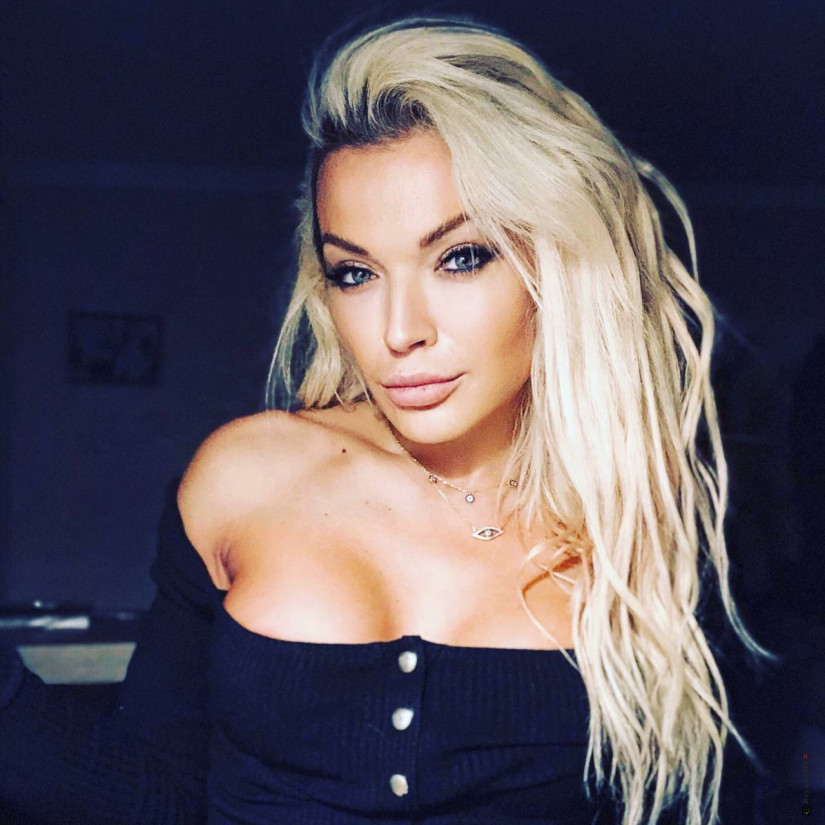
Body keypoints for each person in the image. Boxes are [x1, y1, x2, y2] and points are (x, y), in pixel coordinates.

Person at [0, 16, 777, 825]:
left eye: (459, 258)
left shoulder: (645, 523)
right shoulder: (246, 478)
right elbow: (153, 795)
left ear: (555, 263)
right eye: (355, 273)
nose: (399, 330)